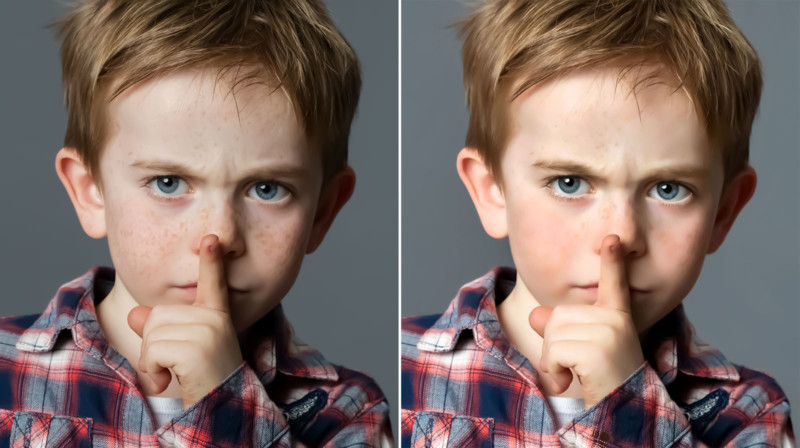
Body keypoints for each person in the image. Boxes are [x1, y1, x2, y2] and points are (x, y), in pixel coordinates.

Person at [401, 0, 795, 446]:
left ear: (724, 211)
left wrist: (625, 401)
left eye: (669, 189)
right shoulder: (402, 375)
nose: (619, 235)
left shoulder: (749, 415)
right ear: (493, 191)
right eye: (569, 183)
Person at [0, 0, 392, 446]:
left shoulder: (346, 412)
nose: (218, 235)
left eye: (267, 188)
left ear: (322, 211)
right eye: (168, 183)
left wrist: (223, 400)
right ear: (91, 190)